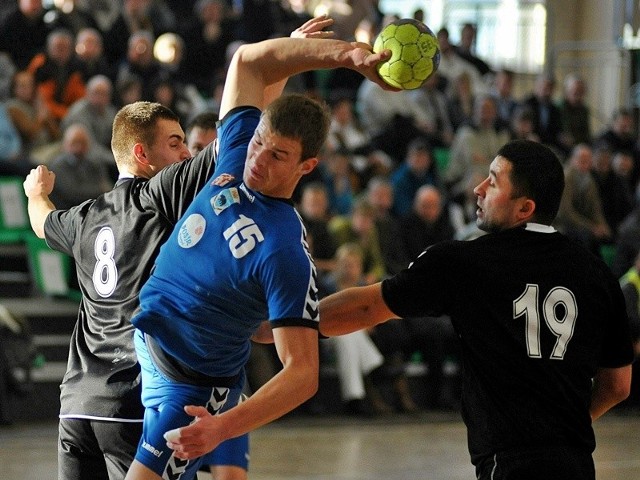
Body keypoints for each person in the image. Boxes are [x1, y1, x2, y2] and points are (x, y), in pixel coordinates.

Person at [123, 16, 394, 479]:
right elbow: (247, 62)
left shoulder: (285, 248)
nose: (258, 159)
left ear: (307, 166)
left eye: (277, 156)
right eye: (260, 142)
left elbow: (302, 374)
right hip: (149, 343)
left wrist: (221, 427)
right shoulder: (236, 151)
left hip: (187, 385)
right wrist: (343, 55)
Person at [318, 139, 634, 480]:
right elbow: (618, 384)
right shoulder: (598, 274)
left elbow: (366, 307)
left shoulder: (465, 261)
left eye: (493, 182)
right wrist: (566, 426)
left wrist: (287, 321)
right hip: (576, 464)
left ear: (524, 208)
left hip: (508, 463)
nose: (477, 189)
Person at [22, 100, 254, 480]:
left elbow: (41, 222)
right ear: (142, 154)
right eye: (176, 143)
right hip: (137, 399)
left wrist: (36, 192)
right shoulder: (159, 196)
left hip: (78, 405)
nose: (185, 153)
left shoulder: (84, 216)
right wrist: (274, 65)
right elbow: (237, 134)